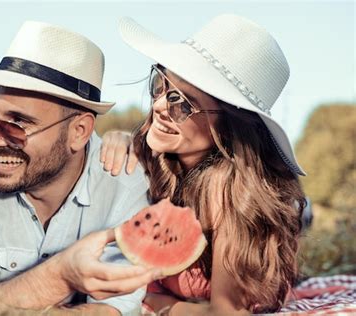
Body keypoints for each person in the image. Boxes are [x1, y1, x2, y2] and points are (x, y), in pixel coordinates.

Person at [0, 20, 160, 315]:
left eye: (18, 123)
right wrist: (61, 275)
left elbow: (111, 310)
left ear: (79, 131)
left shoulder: (125, 186)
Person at [101, 14, 307, 315]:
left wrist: (156, 303)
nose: (159, 106)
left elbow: (226, 313)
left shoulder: (227, 191)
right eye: (160, 85)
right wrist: (116, 138)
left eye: (183, 102)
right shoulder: (159, 161)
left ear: (228, 127)